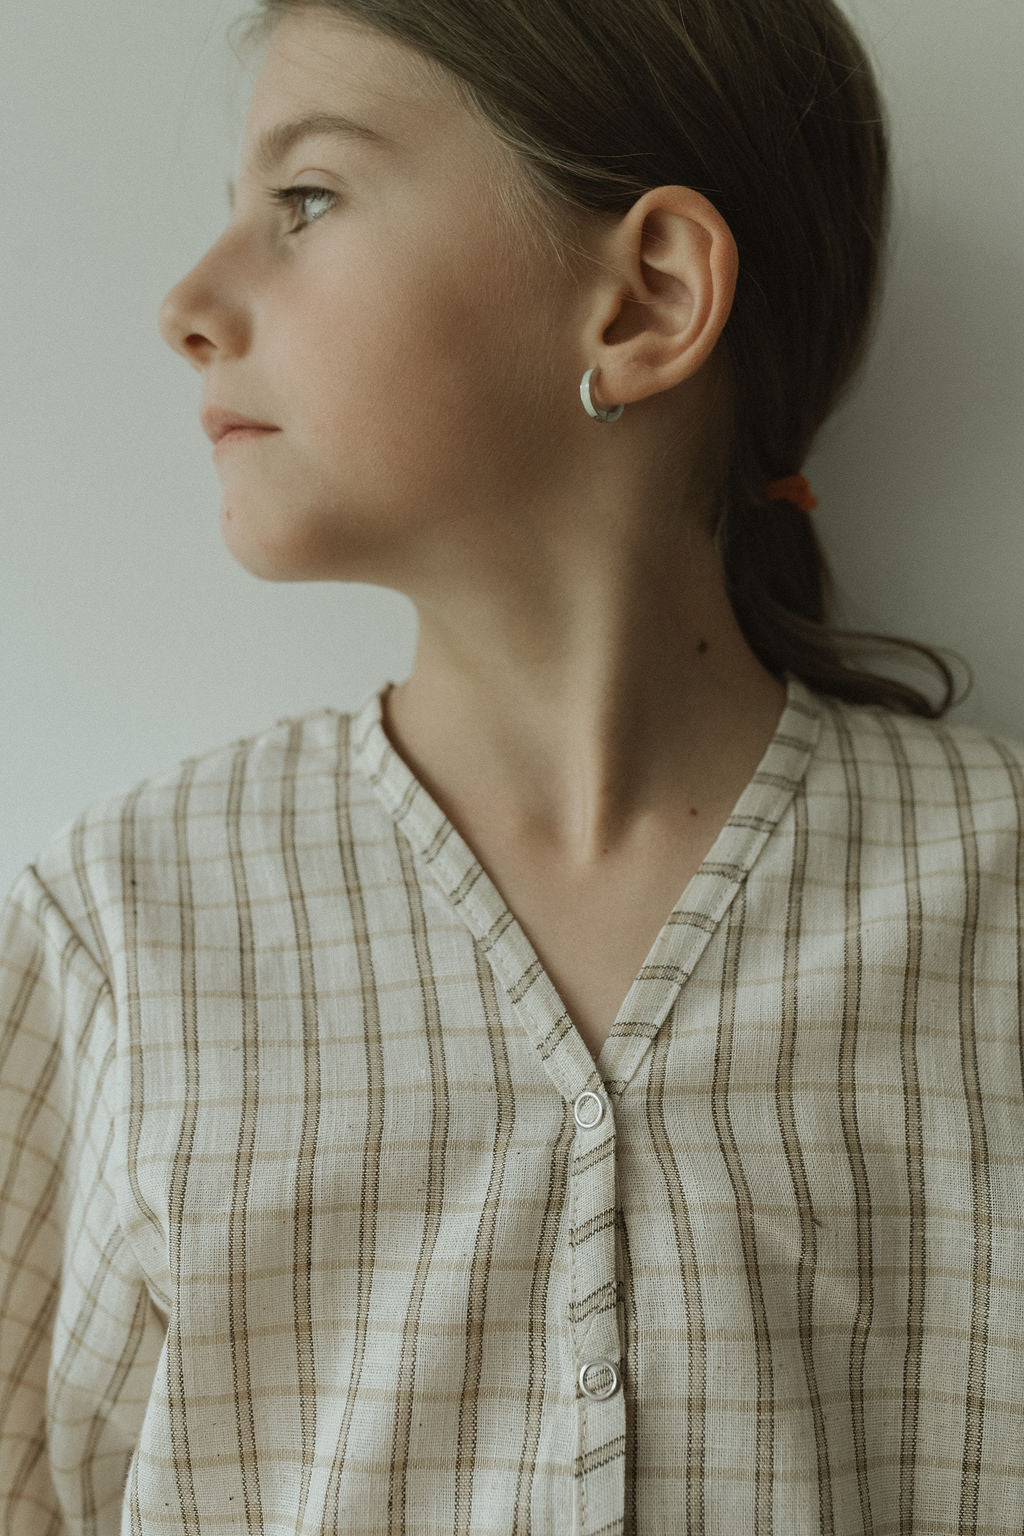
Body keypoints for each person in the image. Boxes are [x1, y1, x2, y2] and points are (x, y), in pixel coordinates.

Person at [2, 1, 1021, 1531]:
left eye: (309, 200)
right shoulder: (124, 929)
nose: (189, 304)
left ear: (646, 299)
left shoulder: (997, 906)